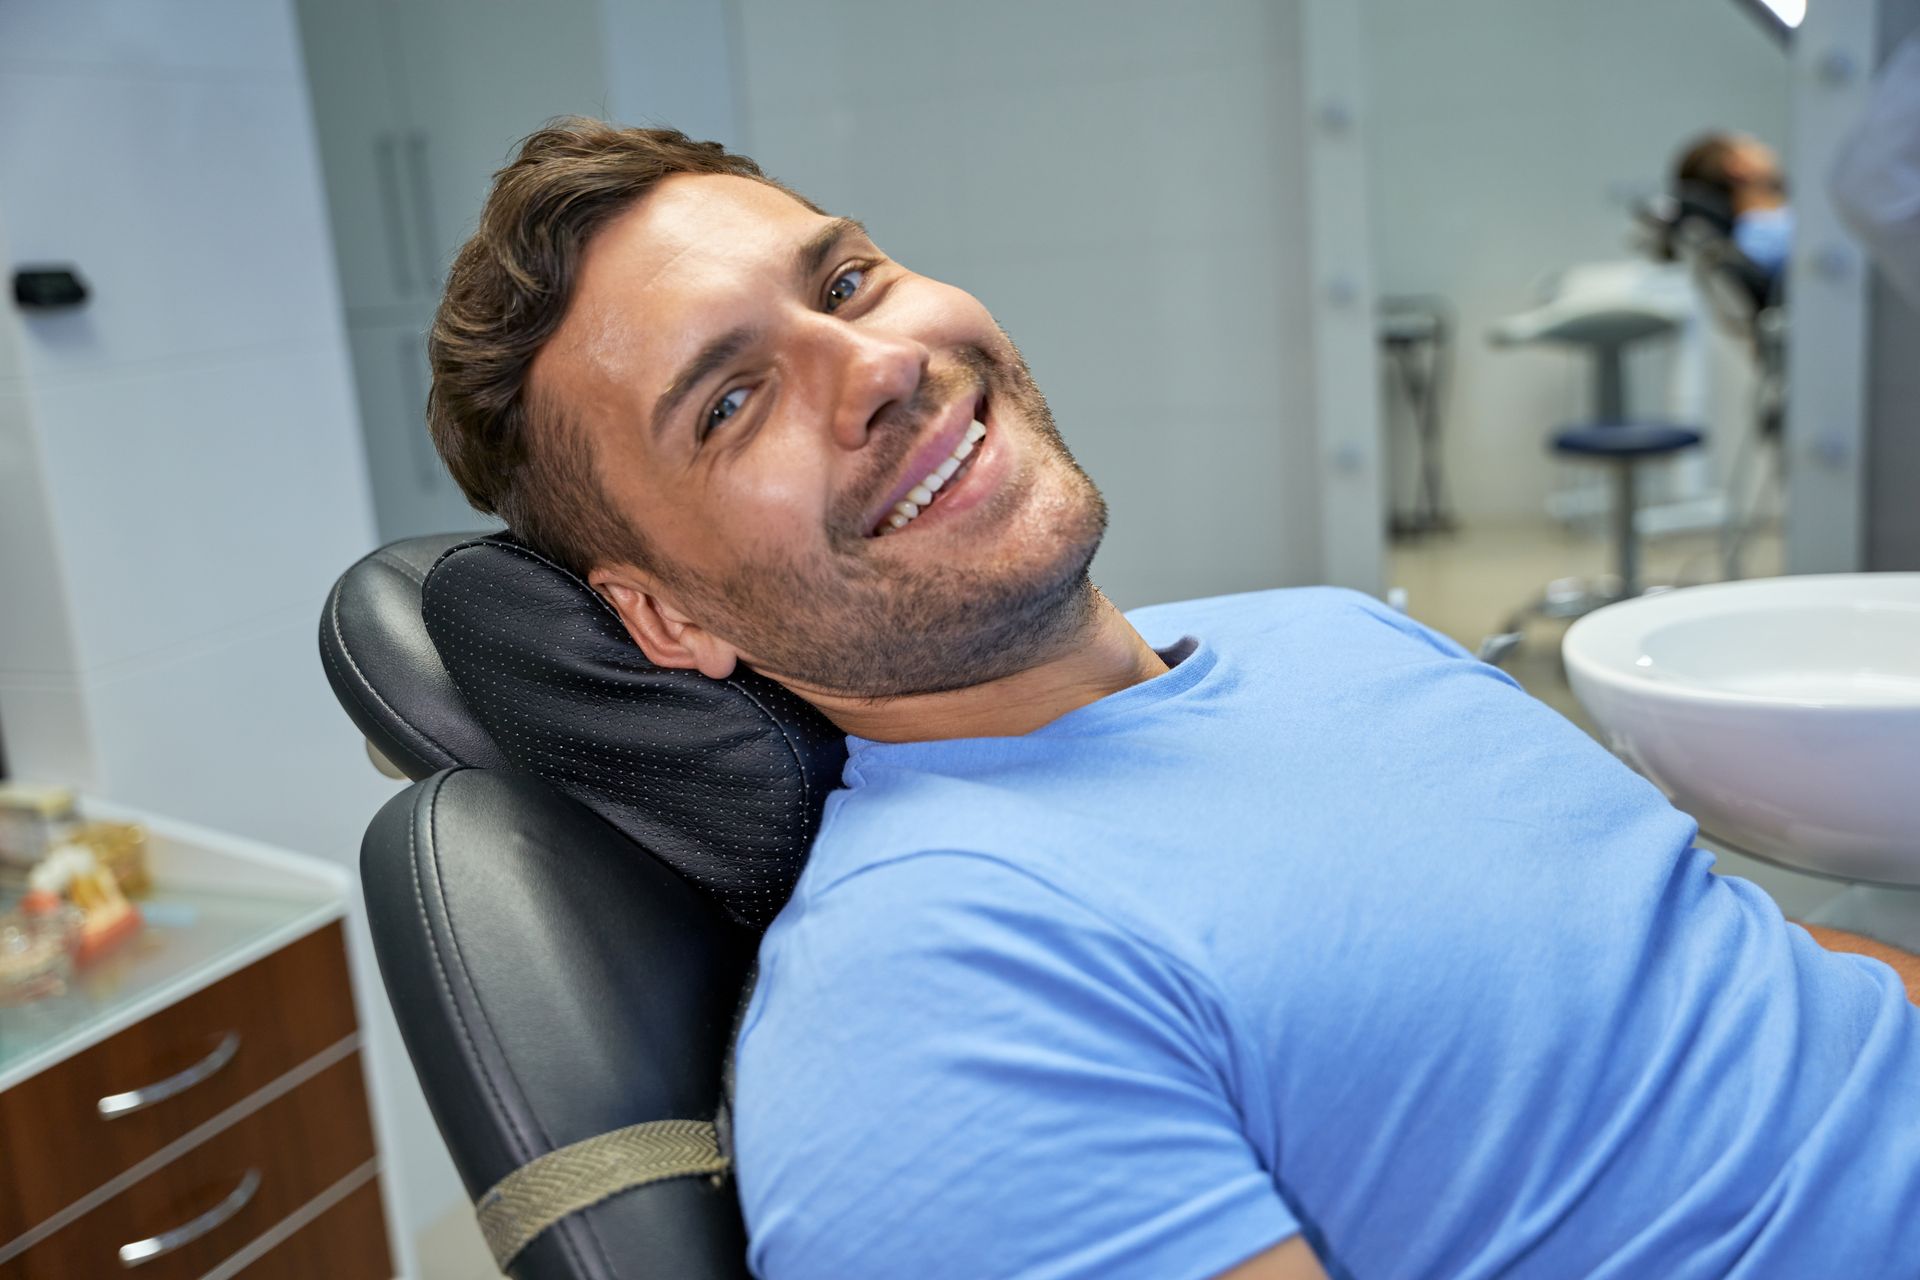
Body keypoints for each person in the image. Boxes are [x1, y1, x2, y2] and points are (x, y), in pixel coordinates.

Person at [426, 119, 1920, 1279]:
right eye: (732, 401)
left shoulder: (1330, 635)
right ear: (664, 617)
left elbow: (1738, 986)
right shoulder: (936, 1002)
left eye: (846, 281)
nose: (879, 364)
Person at [1673, 131, 1794, 280]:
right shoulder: (1766, 239)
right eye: (1753, 145)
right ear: (1739, 166)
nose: (1768, 150)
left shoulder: (1771, 230)